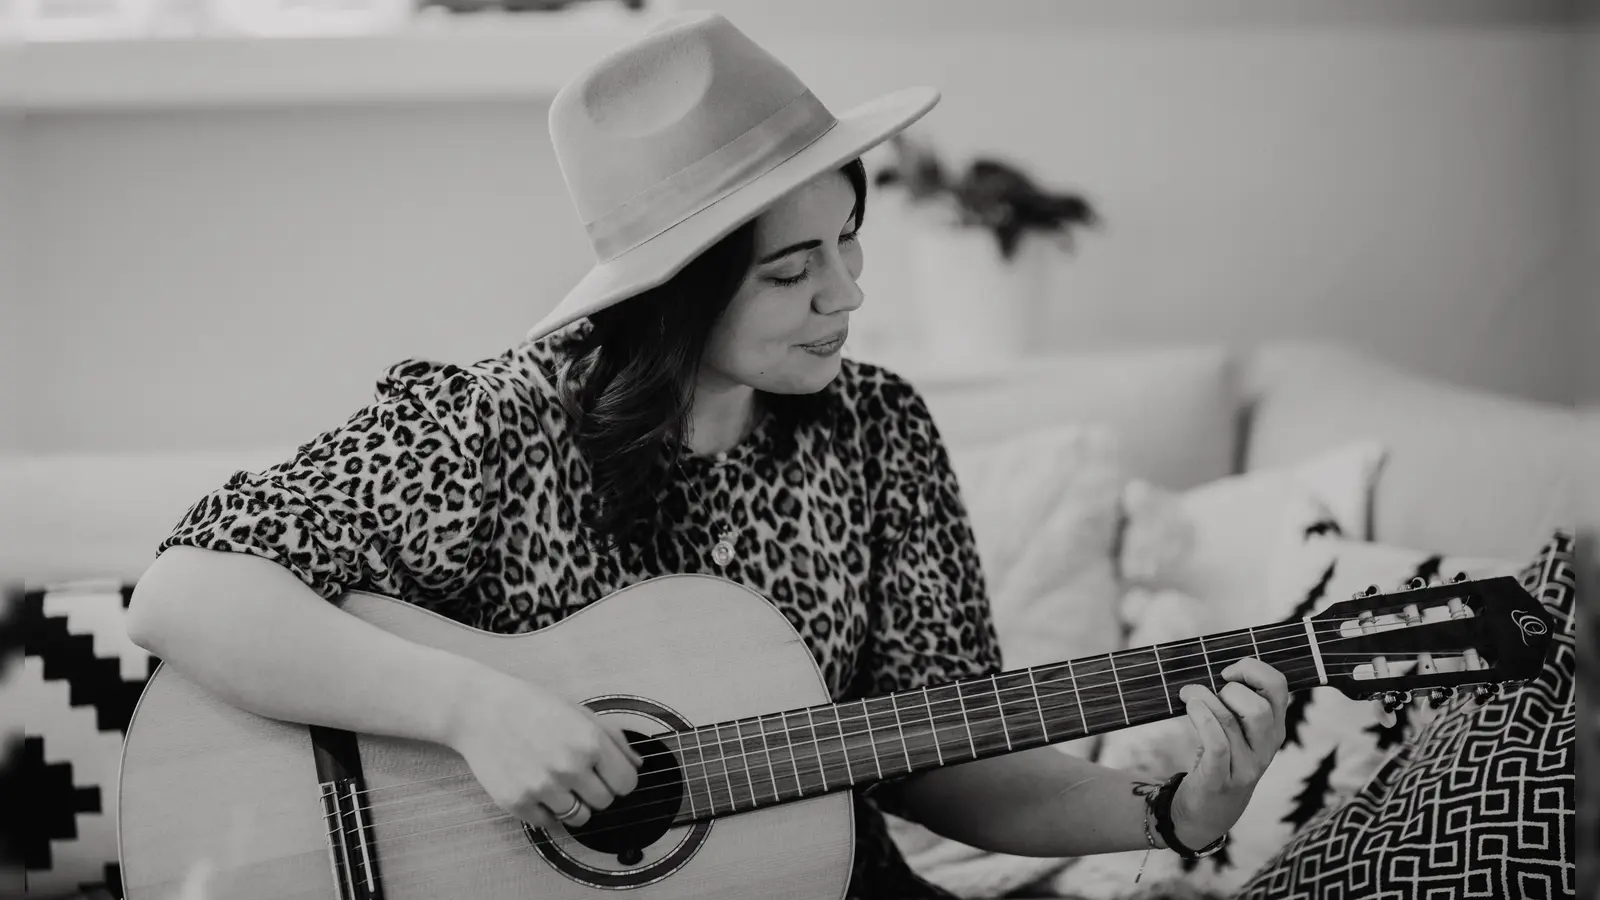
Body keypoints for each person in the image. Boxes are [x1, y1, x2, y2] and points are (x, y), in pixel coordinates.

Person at [125, 11, 1290, 899]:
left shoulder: (875, 429)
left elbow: (938, 754)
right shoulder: (498, 421)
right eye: (791, 272)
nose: (847, 294)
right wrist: (475, 709)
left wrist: (1170, 811)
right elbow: (188, 590)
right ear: (671, 298)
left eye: (847, 242)